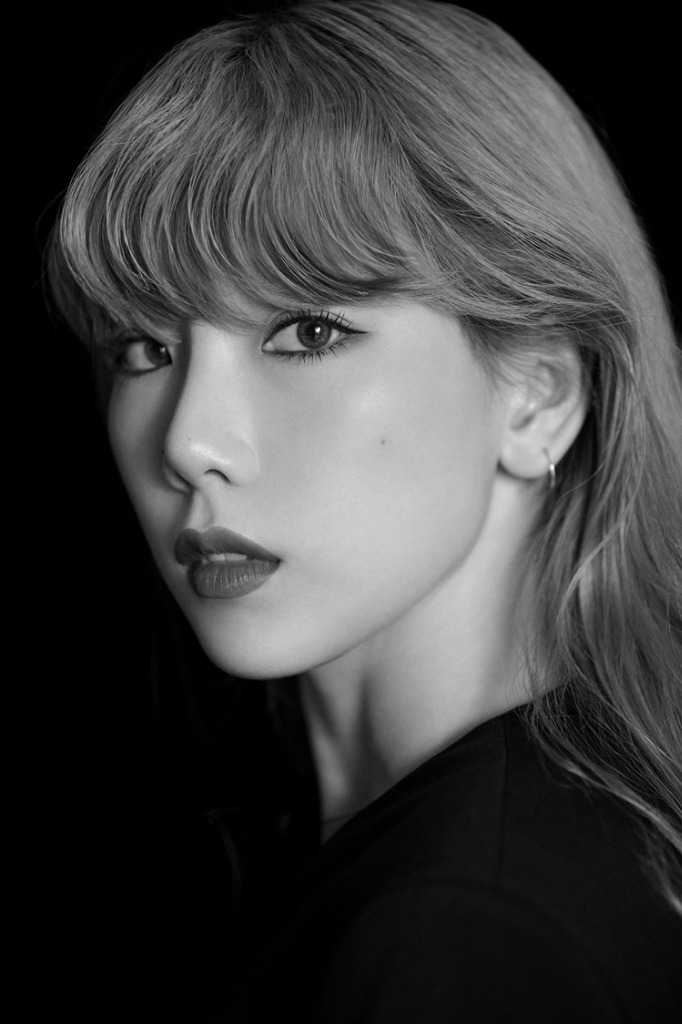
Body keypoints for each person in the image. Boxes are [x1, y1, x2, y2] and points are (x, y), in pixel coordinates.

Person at [47, 0, 681, 1019]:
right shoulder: (381, 864)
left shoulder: (461, 936)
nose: (188, 441)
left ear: (537, 397)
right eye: (143, 347)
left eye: (306, 333)